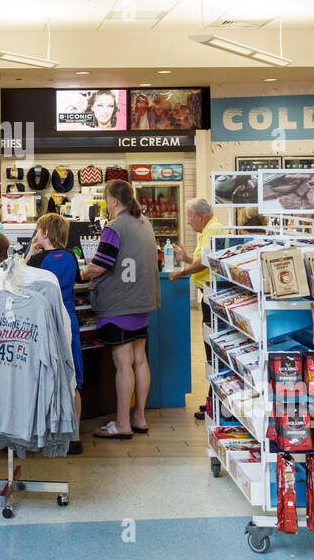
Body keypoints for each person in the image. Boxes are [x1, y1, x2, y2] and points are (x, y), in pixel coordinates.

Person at [83, 180, 160, 439]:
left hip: (119, 304)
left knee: (122, 362)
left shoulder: (115, 227)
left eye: (107, 199)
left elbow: (101, 265)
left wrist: (84, 272)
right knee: (140, 359)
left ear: (114, 201)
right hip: (143, 300)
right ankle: (139, 416)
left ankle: (122, 423)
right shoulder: (145, 223)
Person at [28, 212, 84, 454]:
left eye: (38, 231)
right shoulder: (71, 256)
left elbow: (19, 279)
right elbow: (79, 280)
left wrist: (31, 250)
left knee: (43, 376)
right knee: (72, 379)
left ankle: (44, 434)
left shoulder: (37, 261)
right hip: (68, 321)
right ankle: (76, 437)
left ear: (45, 234)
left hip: (44, 323)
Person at [168, 198, 222, 422]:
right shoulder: (209, 231)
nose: (188, 222)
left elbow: (204, 264)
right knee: (211, 351)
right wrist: (186, 259)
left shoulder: (213, 230)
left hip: (213, 298)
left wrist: (181, 272)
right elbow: (202, 262)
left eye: (190, 216)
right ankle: (213, 401)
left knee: (213, 352)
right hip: (208, 295)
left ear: (200, 215)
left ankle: (215, 404)